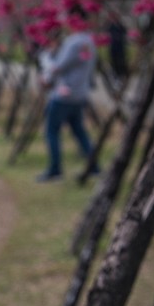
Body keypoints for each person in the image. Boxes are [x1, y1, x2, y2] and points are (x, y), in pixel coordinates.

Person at [37, 14, 100, 182]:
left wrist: (46, 60)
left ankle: (55, 169)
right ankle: (94, 166)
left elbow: (59, 67)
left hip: (63, 94)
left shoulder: (74, 42)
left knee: (51, 131)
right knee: (79, 130)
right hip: (79, 94)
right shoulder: (90, 42)